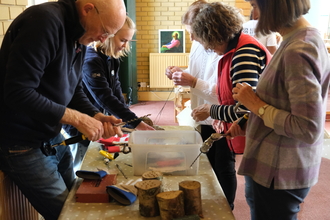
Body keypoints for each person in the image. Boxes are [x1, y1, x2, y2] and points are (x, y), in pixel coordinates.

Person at [0, 0, 126, 219]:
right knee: (70, 215)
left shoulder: (79, 32)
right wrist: (76, 118)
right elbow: (17, 92)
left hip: (51, 137)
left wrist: (94, 114)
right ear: (87, 9)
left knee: (83, 199)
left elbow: (74, 89)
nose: (103, 40)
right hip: (21, 143)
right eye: (105, 31)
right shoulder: (44, 22)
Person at [229, 0, 330, 219]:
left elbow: (307, 128)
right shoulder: (297, 40)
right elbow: (284, 102)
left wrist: (256, 105)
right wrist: (253, 117)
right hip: (276, 165)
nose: (254, 16)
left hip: (280, 171)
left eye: (255, 5)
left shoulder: (298, 49)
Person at [190, 2, 272, 210]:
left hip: (265, 140)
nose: (211, 50)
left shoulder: (244, 54)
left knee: (261, 201)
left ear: (215, 34)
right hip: (255, 136)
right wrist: (221, 116)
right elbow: (233, 99)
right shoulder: (235, 49)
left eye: (209, 43)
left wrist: (211, 110)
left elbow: (246, 109)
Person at [165, 0, 232, 208]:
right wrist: (180, 72)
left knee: (223, 167)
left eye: (193, 32)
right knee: (204, 164)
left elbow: (225, 94)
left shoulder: (224, 47)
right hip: (199, 115)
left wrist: (193, 81)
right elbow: (198, 73)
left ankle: (226, 208)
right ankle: (206, 204)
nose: (191, 38)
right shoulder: (197, 43)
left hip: (220, 117)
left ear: (207, 27)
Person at [64, 16, 155, 165]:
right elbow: (104, 96)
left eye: (128, 41)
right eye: (123, 40)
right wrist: (136, 123)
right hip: (79, 124)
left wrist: (128, 118)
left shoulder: (111, 57)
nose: (125, 46)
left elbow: (116, 88)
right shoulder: (91, 60)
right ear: (108, 36)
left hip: (97, 118)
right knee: (83, 164)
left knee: (98, 158)